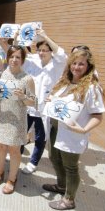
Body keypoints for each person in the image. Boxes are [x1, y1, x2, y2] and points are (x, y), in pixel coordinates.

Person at [43, 50, 105, 210]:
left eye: (81, 64)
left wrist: (83, 129)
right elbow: (61, 104)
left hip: (72, 134)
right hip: (56, 129)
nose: (76, 67)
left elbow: (98, 115)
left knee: (70, 166)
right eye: (74, 63)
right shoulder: (65, 82)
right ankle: (61, 186)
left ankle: (69, 200)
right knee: (54, 158)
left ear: (88, 66)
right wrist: (51, 100)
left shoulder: (91, 88)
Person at [20, 30, 68, 174]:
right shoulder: (33, 61)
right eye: (40, 50)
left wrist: (45, 36)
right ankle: (18, 152)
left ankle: (33, 162)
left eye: (45, 50)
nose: (41, 53)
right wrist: (19, 39)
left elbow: (61, 54)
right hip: (29, 105)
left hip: (44, 107)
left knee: (41, 137)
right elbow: (21, 54)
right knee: (21, 132)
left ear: (51, 51)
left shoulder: (57, 64)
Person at [0, 45, 36, 194]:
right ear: (7, 58)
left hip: (17, 119)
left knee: (14, 150)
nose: (14, 60)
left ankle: (12, 179)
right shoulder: (2, 74)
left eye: (18, 57)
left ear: (23, 60)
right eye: (11, 56)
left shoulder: (27, 79)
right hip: (1, 116)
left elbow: (33, 101)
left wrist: (23, 97)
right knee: (1, 146)